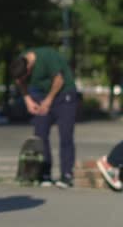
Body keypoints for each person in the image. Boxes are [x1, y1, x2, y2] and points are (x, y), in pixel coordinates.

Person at [10, 46, 77, 188]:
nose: (24, 80)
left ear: (29, 68)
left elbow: (59, 80)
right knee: (40, 134)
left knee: (65, 135)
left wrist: (48, 101)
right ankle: (44, 173)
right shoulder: (20, 62)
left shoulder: (47, 57)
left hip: (64, 94)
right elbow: (19, 81)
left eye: (26, 76)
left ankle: (66, 175)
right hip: (41, 94)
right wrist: (27, 100)